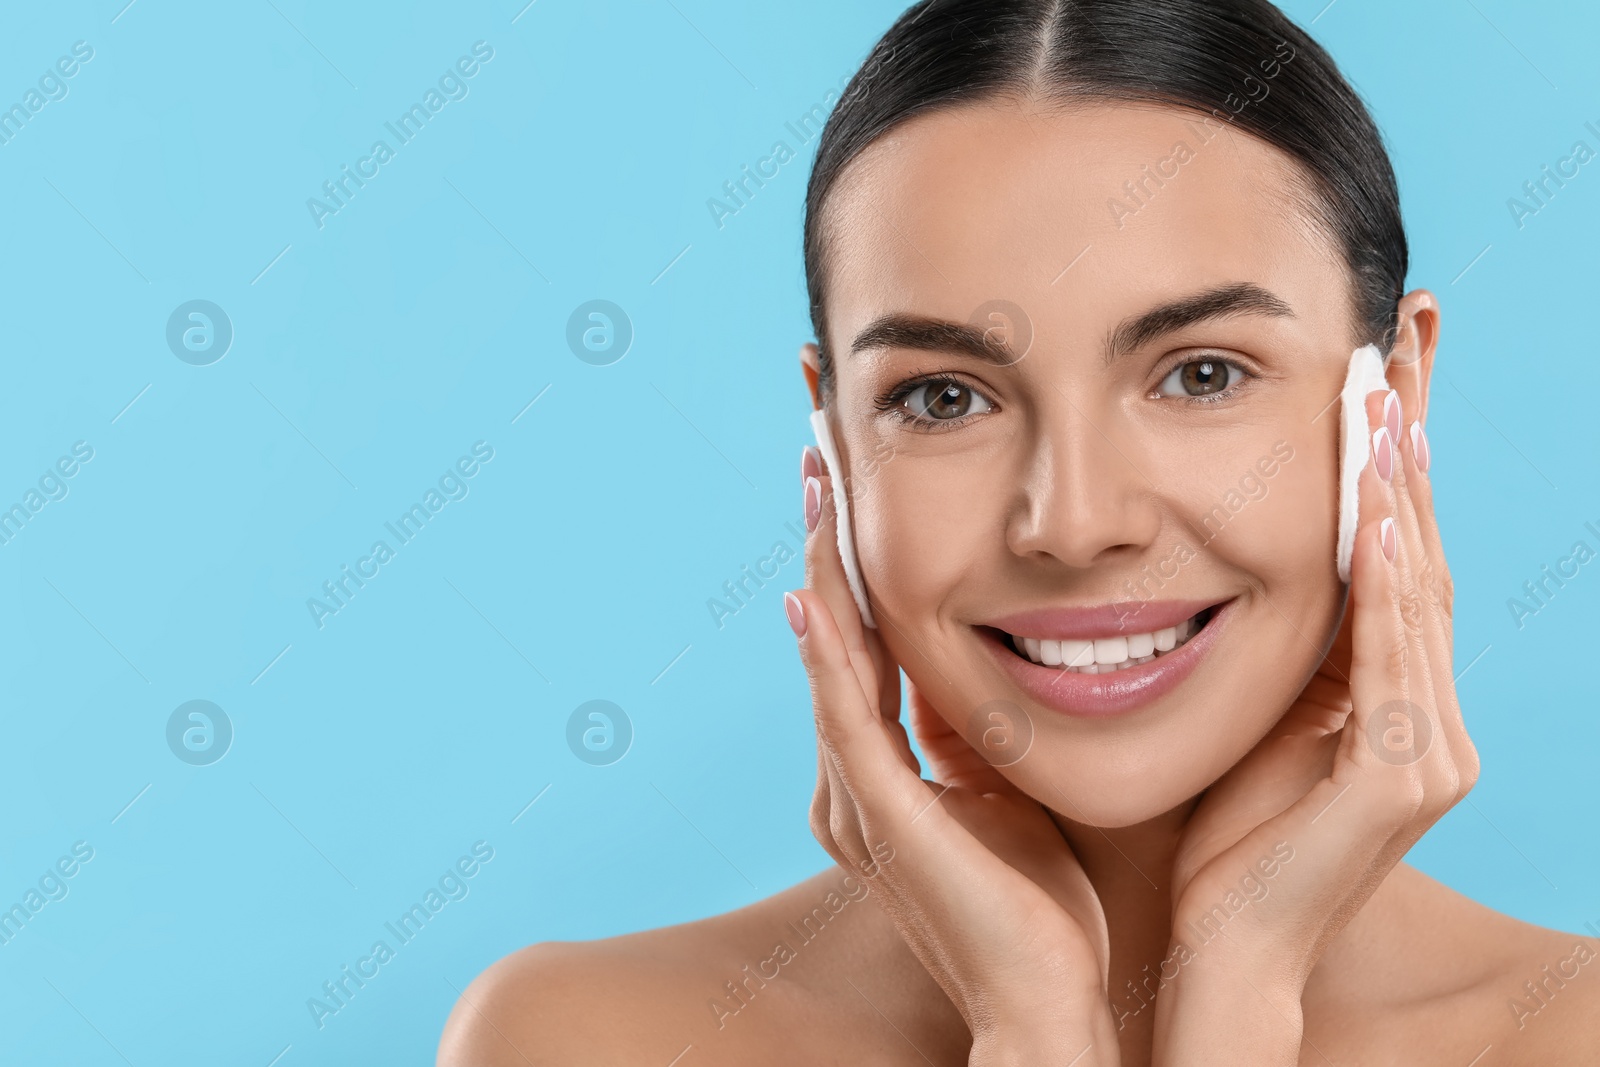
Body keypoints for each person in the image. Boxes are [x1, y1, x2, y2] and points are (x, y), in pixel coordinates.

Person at [438, 0, 1600, 1062]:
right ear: (833, 437)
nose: (1073, 521)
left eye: (1199, 373)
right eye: (943, 397)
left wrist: (1240, 984)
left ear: (1392, 392)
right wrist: (1029, 1021)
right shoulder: (583, 1036)